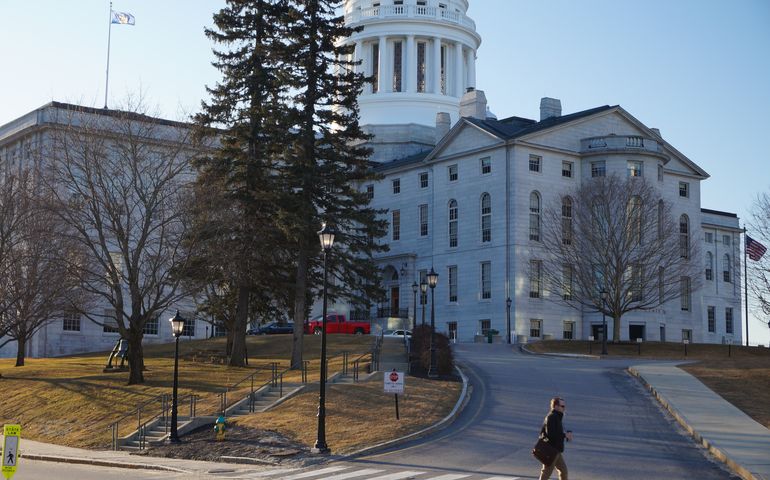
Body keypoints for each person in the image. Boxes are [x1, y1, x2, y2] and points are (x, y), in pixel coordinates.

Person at [539, 396, 572, 480]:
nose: (564, 408)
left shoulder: (557, 417)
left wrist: (564, 434)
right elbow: (551, 434)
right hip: (551, 450)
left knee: (563, 471)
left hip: (556, 450)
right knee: (546, 473)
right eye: (562, 406)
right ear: (556, 406)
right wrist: (564, 435)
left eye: (564, 406)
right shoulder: (552, 417)